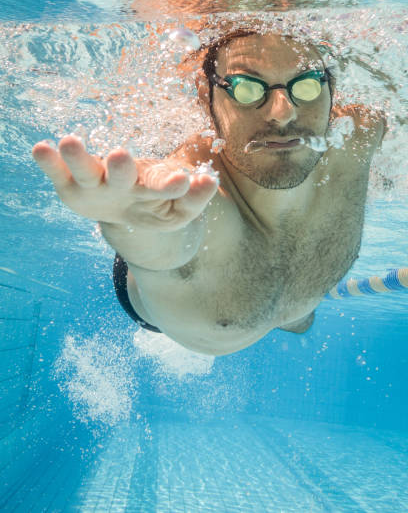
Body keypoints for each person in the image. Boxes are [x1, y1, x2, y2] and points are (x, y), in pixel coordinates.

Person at [32, 29, 386, 356]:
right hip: (157, 307)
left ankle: (295, 316)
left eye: (306, 85)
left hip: (289, 303)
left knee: (298, 315)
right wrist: (136, 223)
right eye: (248, 88)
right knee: (290, 312)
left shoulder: (361, 135)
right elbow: (167, 244)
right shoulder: (193, 187)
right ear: (207, 97)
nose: (283, 112)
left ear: (330, 88)